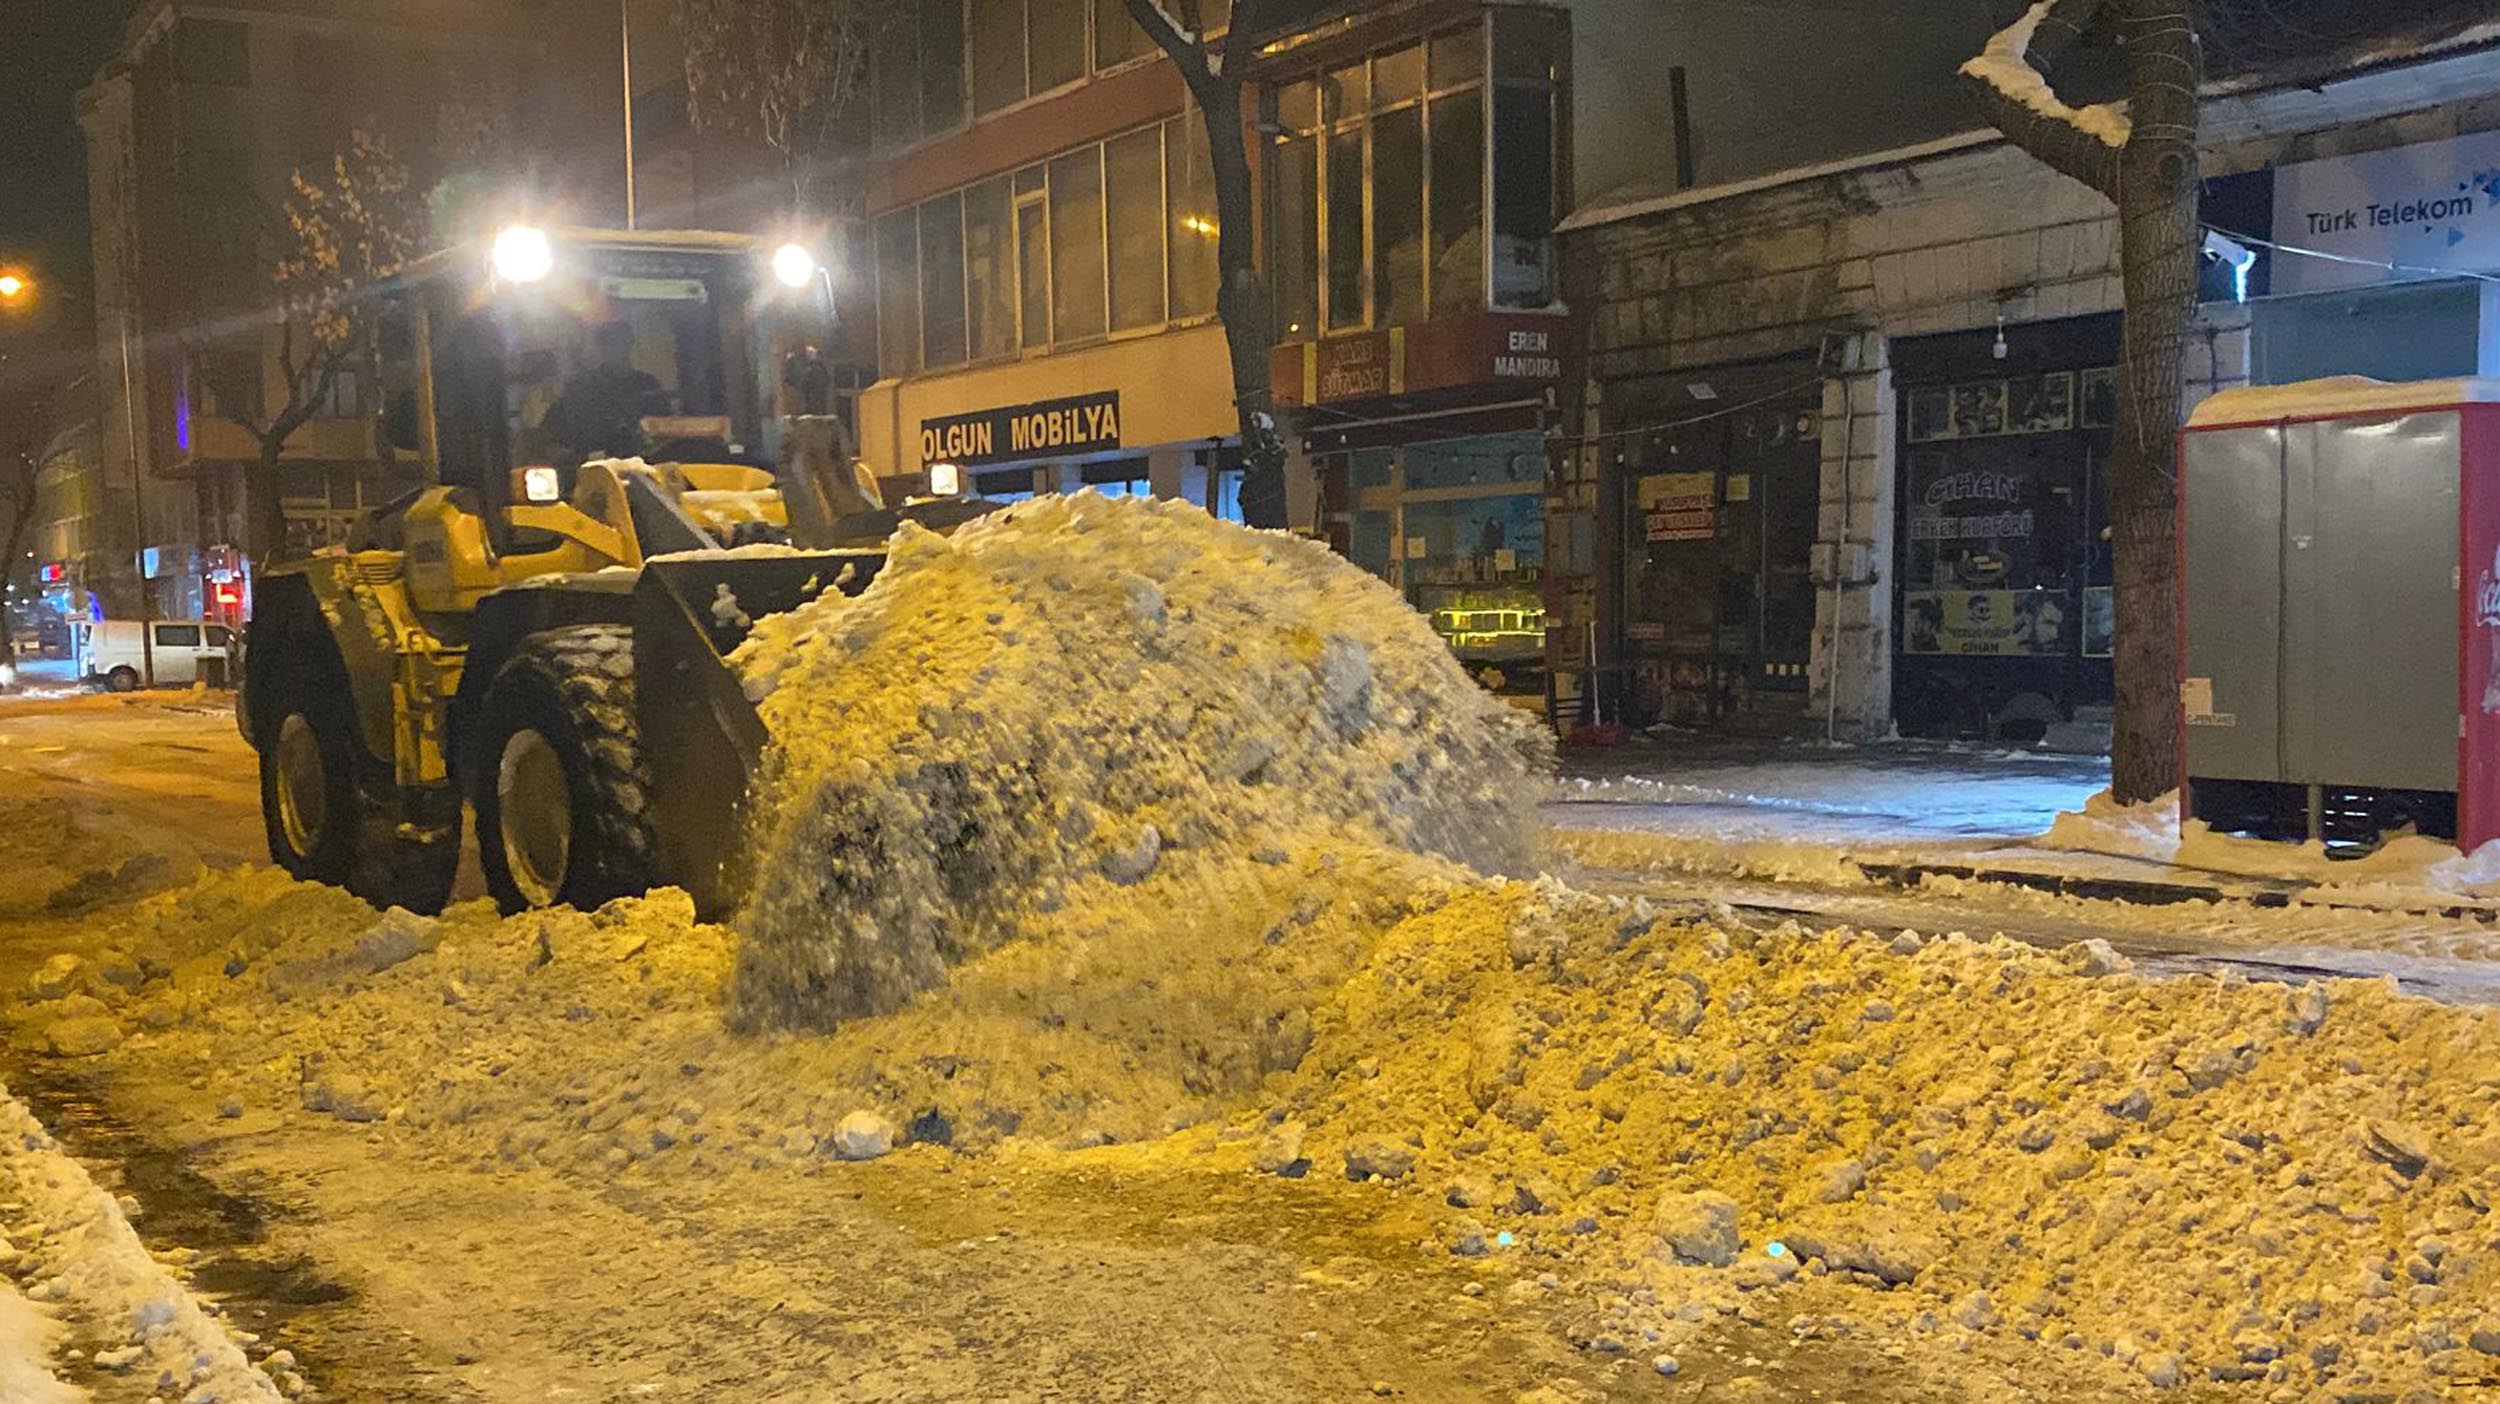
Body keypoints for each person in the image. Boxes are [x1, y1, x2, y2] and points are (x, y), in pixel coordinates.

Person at [542, 321, 670, 461]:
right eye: (610, 343)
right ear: (601, 347)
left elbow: (667, 432)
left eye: (621, 343)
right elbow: (552, 439)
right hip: (591, 474)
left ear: (630, 344)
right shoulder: (580, 389)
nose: (617, 349)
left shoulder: (648, 385)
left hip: (647, 469)